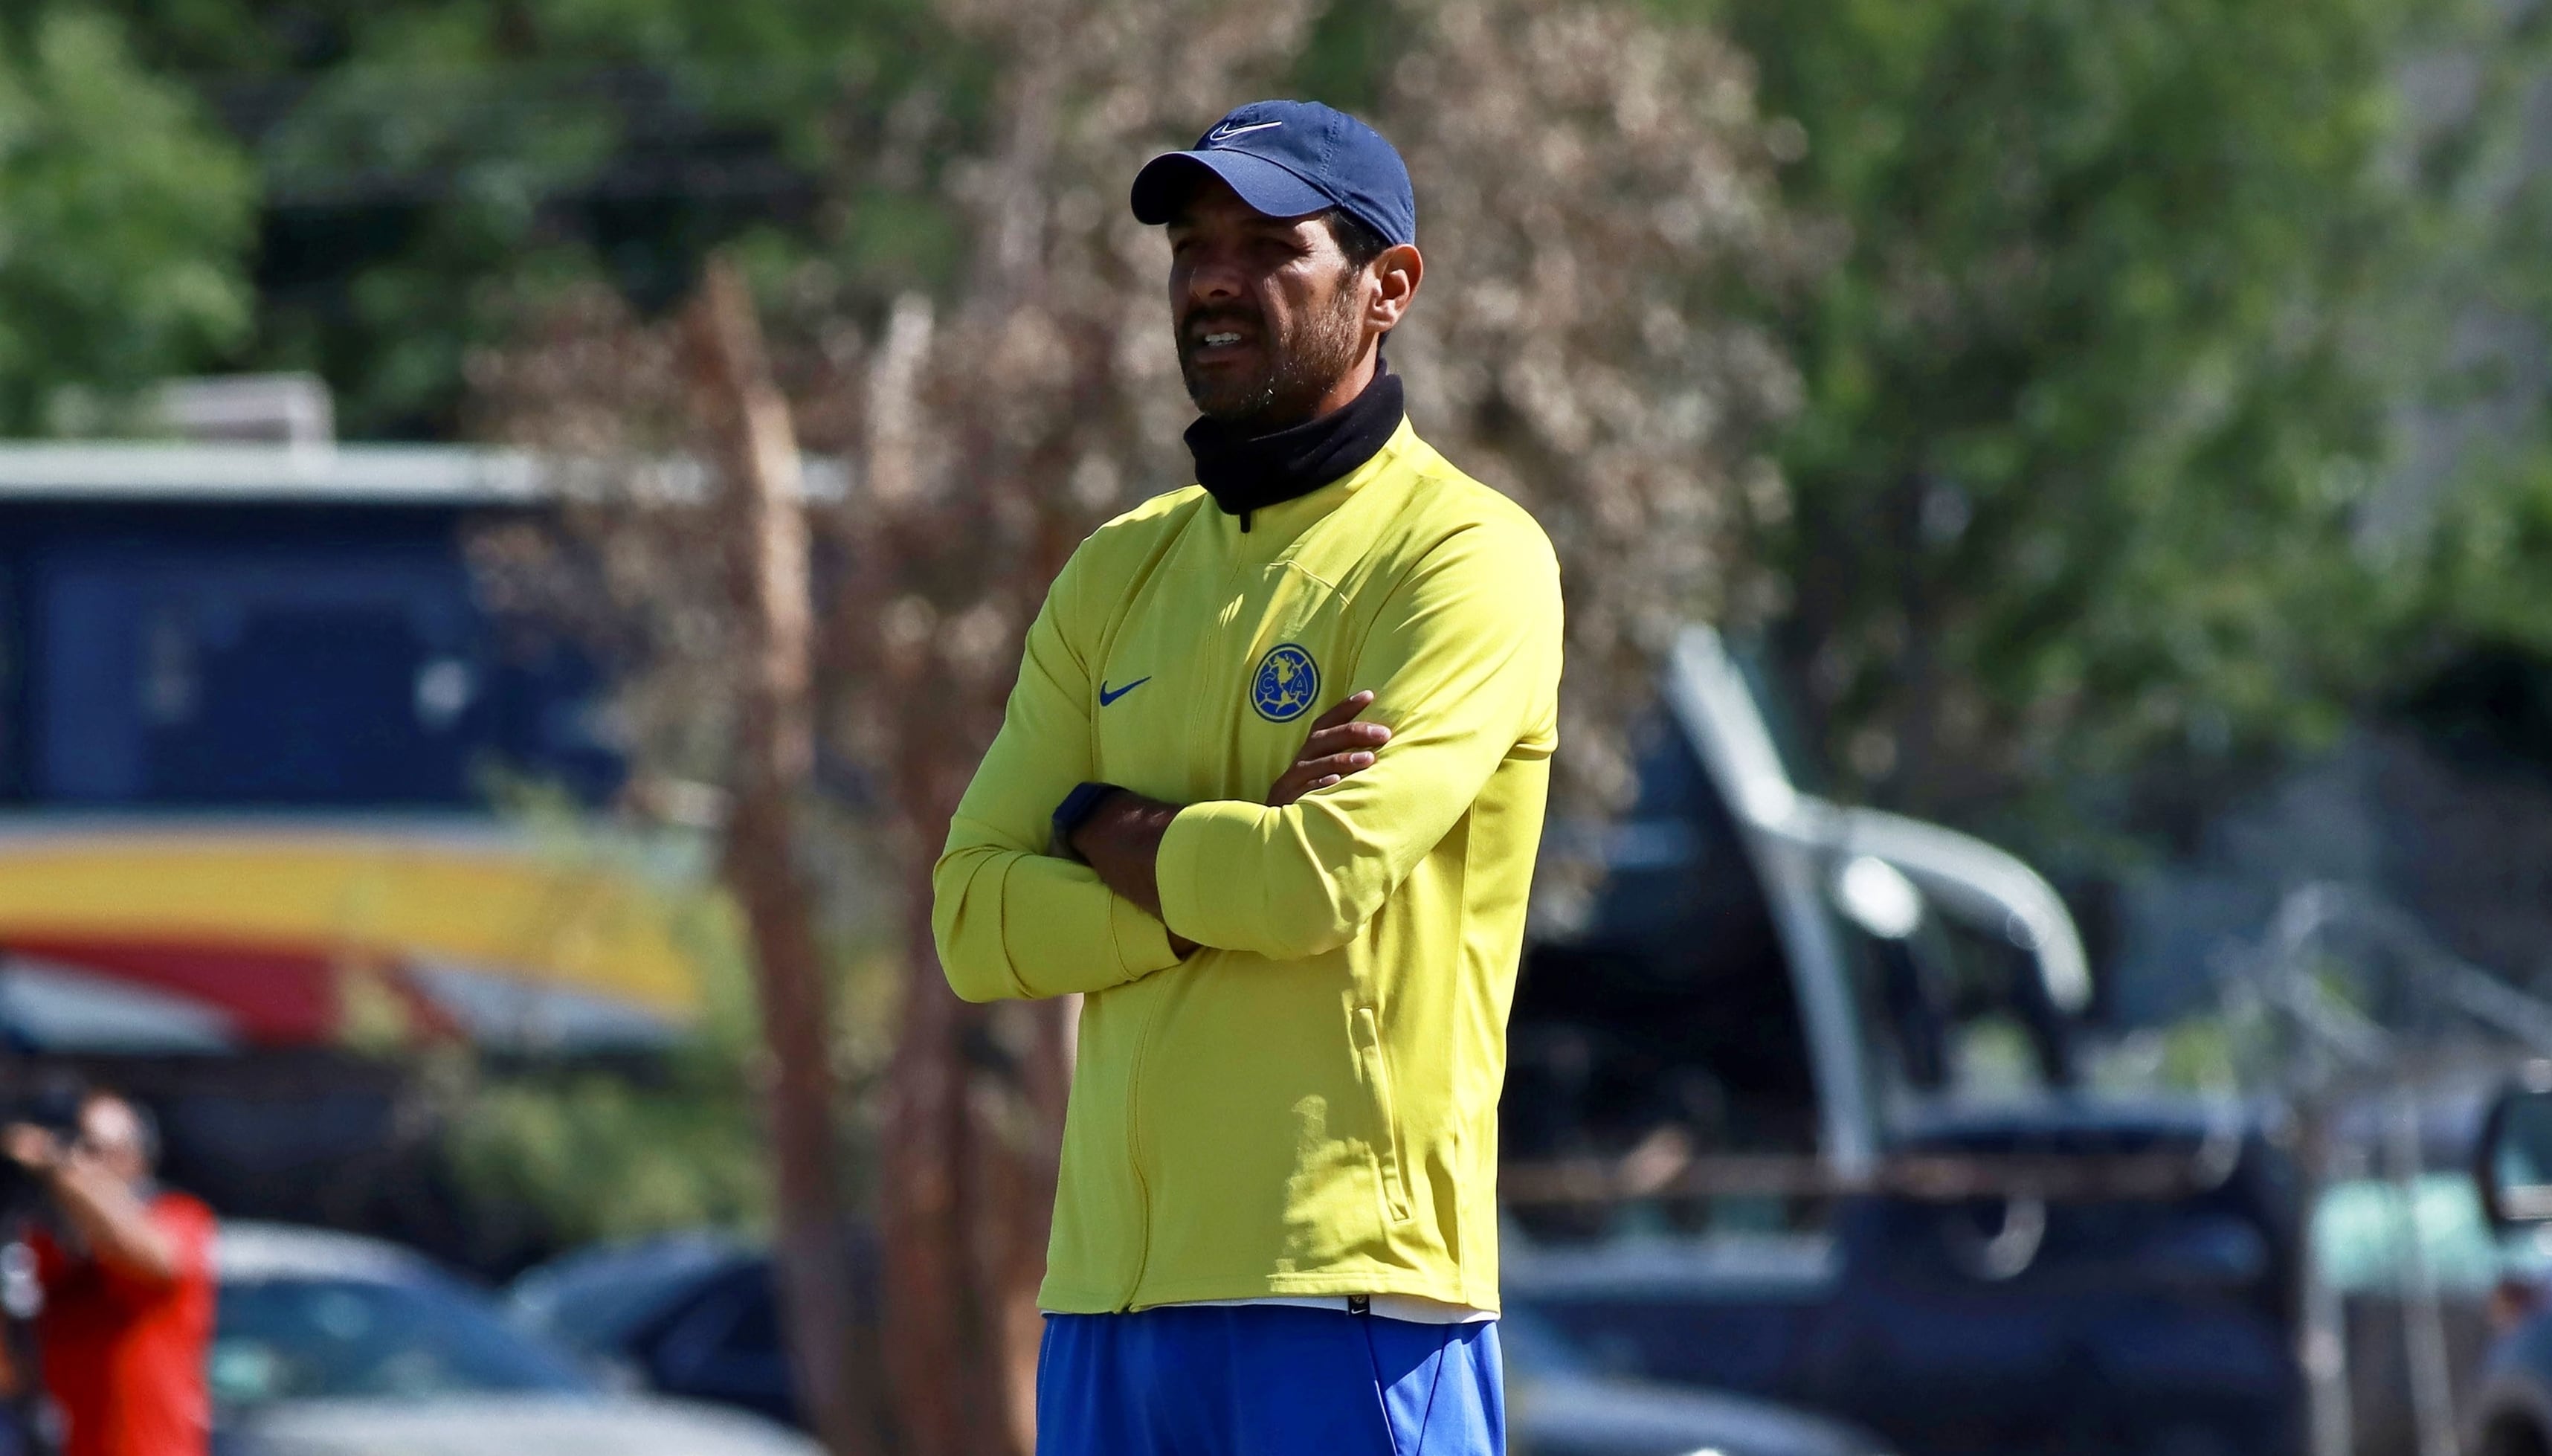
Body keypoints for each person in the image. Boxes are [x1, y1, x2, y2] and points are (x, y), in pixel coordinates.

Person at [934, 98, 1563, 1456]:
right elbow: (973, 920)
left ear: (1388, 285)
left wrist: (1095, 824)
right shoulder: (1119, 568)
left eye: (1270, 245)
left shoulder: (1464, 555)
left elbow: (1311, 879)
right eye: (1189, 247)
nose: (1213, 278)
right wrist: (1201, 867)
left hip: (1348, 1292)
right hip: (1107, 1296)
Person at [1, 1092, 216, 1456]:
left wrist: (54, 1160)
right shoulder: (46, 1244)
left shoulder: (176, 1217)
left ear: (135, 1157)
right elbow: (13, 1376)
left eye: (90, 1149)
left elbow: (145, 1255)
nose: (80, 1165)